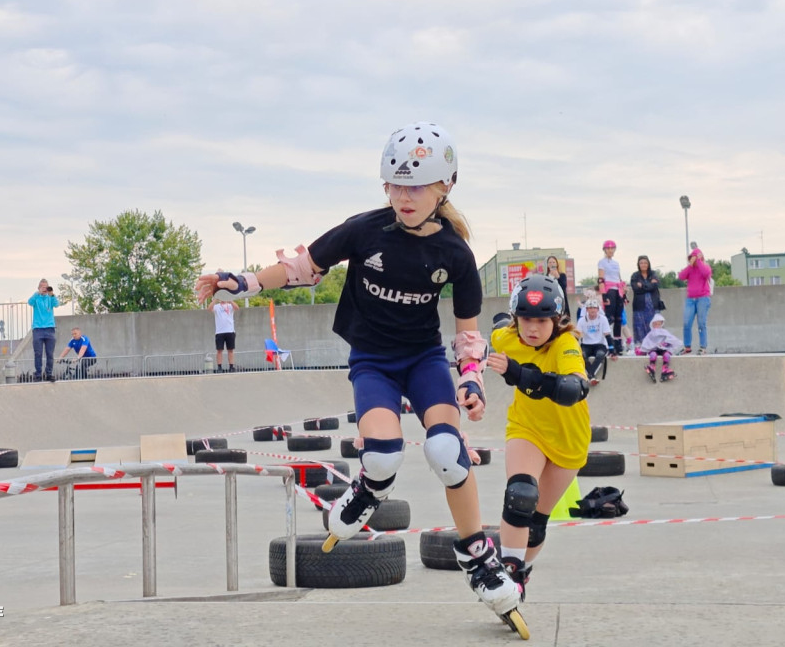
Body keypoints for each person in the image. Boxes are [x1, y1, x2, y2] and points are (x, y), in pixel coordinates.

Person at [196, 122, 525, 628]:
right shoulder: (366, 229)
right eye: (394, 184)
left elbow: (466, 335)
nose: (403, 196)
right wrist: (241, 281)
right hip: (373, 361)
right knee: (383, 459)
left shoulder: (455, 254)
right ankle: (370, 489)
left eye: (416, 186)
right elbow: (303, 267)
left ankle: (478, 557)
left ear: (445, 188)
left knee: (445, 451)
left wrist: (472, 381)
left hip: (423, 360)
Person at [486, 274, 590, 603]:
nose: (533, 328)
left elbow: (572, 389)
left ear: (556, 320)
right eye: (526, 319)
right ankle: (508, 575)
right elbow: (496, 327)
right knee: (520, 495)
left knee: (537, 525)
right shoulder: (507, 337)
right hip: (526, 429)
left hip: (568, 439)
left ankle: (522, 572)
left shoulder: (565, 345)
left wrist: (518, 374)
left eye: (542, 321)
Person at [678, 247, 712, 355]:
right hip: (690, 299)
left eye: (695, 257)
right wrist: (690, 265)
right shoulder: (690, 269)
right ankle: (687, 346)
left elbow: (706, 273)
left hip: (703, 298)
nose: (693, 259)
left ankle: (703, 347)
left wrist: (699, 261)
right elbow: (681, 276)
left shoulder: (705, 267)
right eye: (691, 257)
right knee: (686, 323)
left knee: (701, 323)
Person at [28, 278, 59, 381]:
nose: (45, 289)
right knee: (38, 353)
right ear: (39, 288)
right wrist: (38, 293)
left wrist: (52, 294)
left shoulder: (50, 297)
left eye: (46, 287)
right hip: (38, 329)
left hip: (50, 329)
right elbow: (30, 302)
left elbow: (56, 304)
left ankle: (49, 373)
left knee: (50, 353)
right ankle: (38, 374)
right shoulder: (36, 298)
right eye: (42, 287)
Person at [597, 240, 625, 356]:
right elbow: (601, 279)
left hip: (618, 290)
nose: (610, 250)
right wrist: (603, 295)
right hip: (609, 291)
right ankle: (607, 343)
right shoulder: (602, 262)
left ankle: (618, 345)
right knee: (610, 318)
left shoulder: (616, 263)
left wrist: (624, 294)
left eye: (612, 248)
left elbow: (619, 278)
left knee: (618, 318)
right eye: (608, 248)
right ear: (604, 250)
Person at [575, 299, 612, 385]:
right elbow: (577, 336)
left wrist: (612, 349)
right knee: (582, 355)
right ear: (586, 310)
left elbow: (607, 335)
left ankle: (590, 375)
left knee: (600, 354)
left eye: (595, 308)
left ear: (598, 309)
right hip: (586, 344)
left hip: (600, 344)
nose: (592, 310)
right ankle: (591, 376)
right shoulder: (582, 320)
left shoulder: (603, 319)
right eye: (590, 308)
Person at [640, 313, 683, 382]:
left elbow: (671, 339)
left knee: (667, 355)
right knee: (653, 355)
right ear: (652, 324)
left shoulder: (664, 332)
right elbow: (646, 342)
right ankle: (652, 366)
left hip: (663, 349)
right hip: (654, 349)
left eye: (659, 324)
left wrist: (666, 343)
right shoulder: (651, 333)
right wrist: (644, 350)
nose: (657, 326)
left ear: (661, 324)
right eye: (655, 324)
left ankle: (665, 369)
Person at [629, 256, 661, 346]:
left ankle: (655, 347)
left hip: (653, 306)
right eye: (641, 263)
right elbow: (636, 289)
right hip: (639, 307)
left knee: (655, 327)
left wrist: (642, 285)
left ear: (648, 264)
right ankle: (641, 348)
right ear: (638, 264)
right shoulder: (635, 276)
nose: (643, 265)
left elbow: (655, 286)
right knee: (640, 327)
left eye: (645, 263)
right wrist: (649, 285)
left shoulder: (653, 274)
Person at [210, 297, 238, 372]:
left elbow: (237, 308)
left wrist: (230, 300)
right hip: (220, 332)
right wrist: (215, 300)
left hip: (230, 331)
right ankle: (219, 367)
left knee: (230, 350)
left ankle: (231, 366)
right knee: (219, 350)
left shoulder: (230, 306)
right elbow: (209, 308)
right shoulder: (217, 307)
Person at [544, 256, 570, 322]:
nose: (552, 264)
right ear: (547, 265)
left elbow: (564, 286)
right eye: (550, 262)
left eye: (553, 262)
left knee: (563, 321)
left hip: (561, 302)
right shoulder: (545, 277)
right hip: (551, 302)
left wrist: (558, 276)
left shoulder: (562, 275)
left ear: (556, 264)